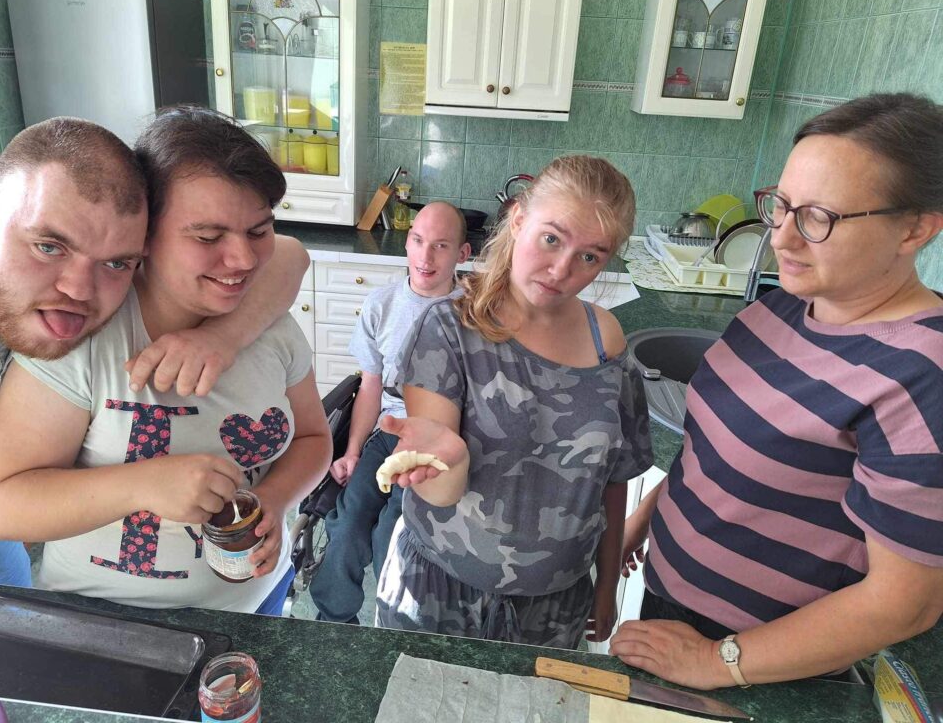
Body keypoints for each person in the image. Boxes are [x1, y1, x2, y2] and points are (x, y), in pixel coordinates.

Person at [609, 93, 943, 689]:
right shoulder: (783, 307)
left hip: (763, 660)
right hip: (672, 609)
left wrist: (717, 661)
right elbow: (719, 449)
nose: (783, 239)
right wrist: (649, 516)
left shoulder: (922, 376)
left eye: (819, 218)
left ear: (916, 228)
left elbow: (906, 604)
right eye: (782, 207)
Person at [0, 107, 331, 615]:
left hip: (257, 604)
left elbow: (314, 438)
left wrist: (273, 497)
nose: (244, 260)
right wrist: (144, 485)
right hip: (107, 621)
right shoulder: (83, 334)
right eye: (207, 237)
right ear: (143, 238)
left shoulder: (270, 323)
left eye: (258, 231)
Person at [373, 155, 654, 649]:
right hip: (440, 592)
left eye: (591, 257)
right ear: (519, 219)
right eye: (552, 239)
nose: (562, 270)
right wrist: (446, 459)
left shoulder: (605, 340)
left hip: (557, 609)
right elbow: (438, 494)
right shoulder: (449, 329)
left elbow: (612, 480)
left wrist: (607, 583)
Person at [309, 202, 471, 623]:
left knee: (391, 534)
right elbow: (370, 387)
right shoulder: (381, 305)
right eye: (417, 241)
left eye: (440, 246)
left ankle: (390, 628)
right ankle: (333, 623)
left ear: (463, 254)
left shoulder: (474, 313)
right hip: (386, 433)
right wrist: (352, 452)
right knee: (347, 525)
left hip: (436, 444)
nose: (425, 256)